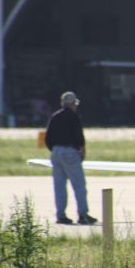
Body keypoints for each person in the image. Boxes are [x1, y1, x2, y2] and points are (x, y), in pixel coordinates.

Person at [45, 91, 97, 225]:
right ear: (73, 104)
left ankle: (61, 215)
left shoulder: (55, 116)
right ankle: (83, 214)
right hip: (70, 152)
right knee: (79, 185)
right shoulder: (74, 117)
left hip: (55, 152)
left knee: (59, 186)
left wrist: (55, 150)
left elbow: (48, 138)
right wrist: (82, 151)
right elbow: (79, 137)